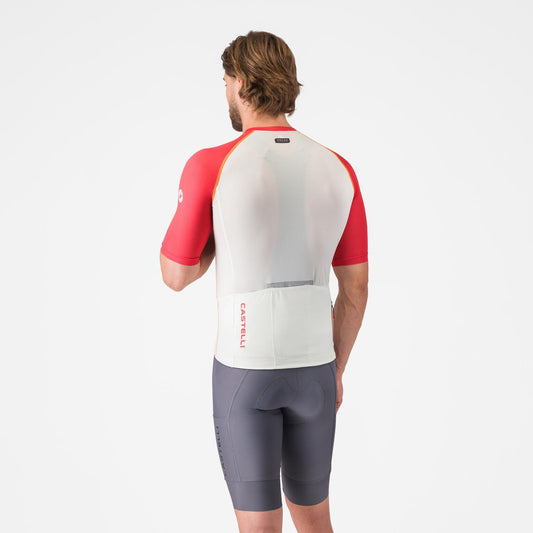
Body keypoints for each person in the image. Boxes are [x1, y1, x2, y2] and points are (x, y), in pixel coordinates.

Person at [160, 30, 368, 533]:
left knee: (258, 528)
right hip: (316, 370)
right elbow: (356, 288)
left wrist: (217, 236)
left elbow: (175, 274)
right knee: (316, 521)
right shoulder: (339, 168)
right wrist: (335, 370)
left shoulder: (211, 164)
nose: (226, 91)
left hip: (244, 370)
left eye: (226, 81)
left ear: (240, 83)